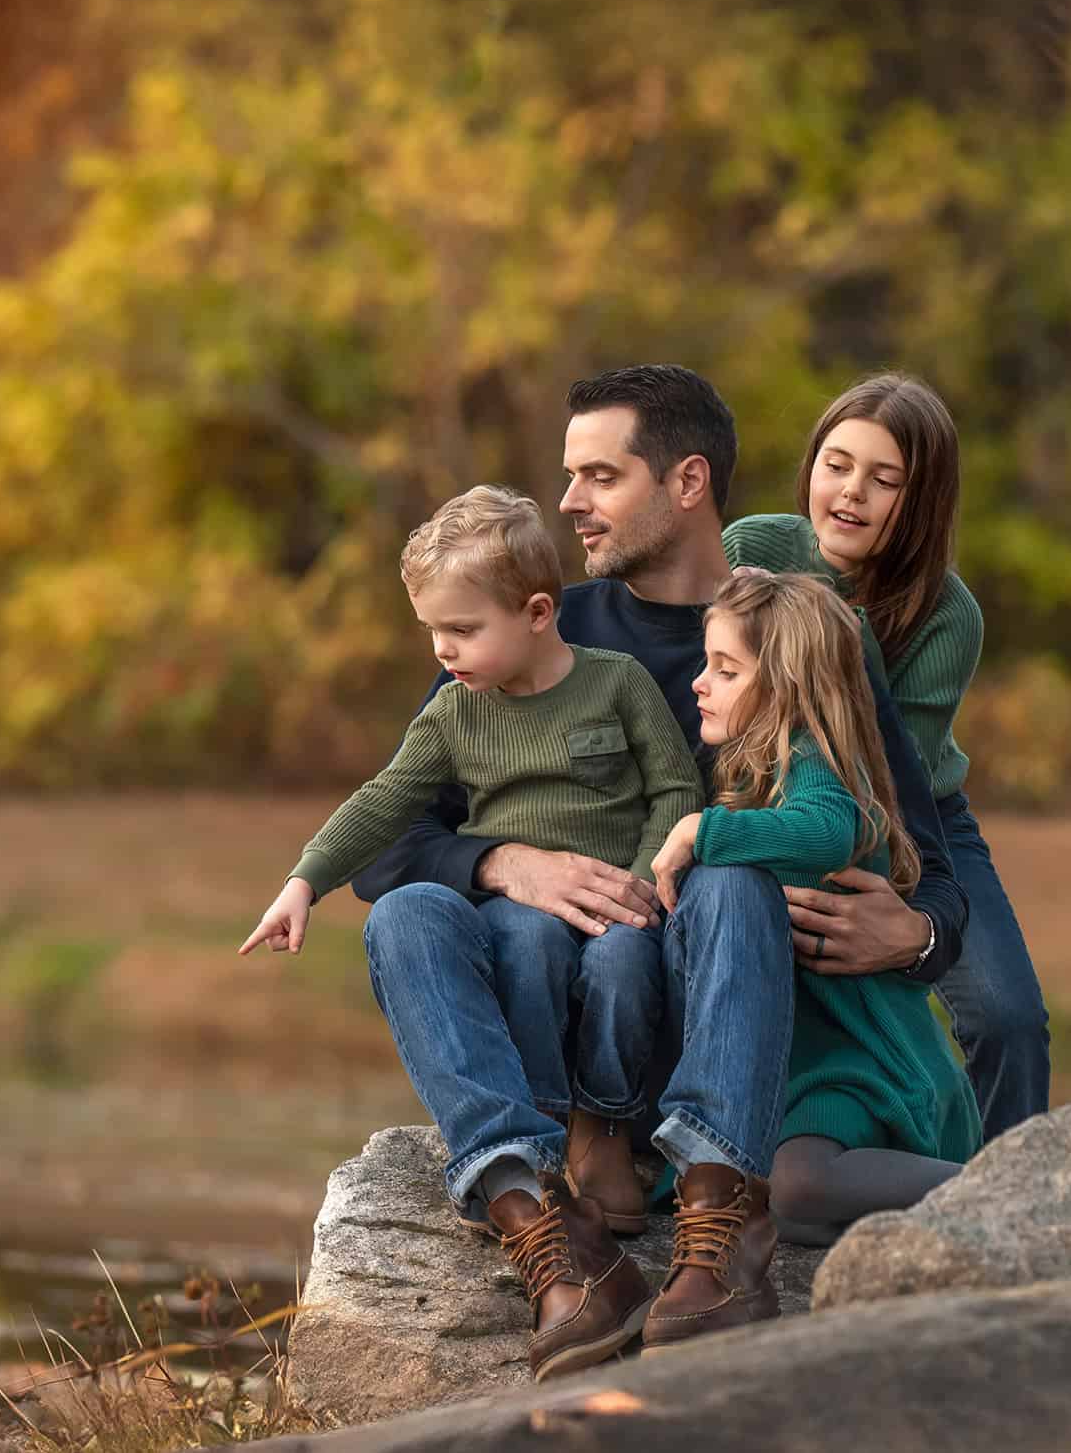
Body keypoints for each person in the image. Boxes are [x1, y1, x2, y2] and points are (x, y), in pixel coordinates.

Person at [353, 365, 971, 1370]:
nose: (567, 503)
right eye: (568, 476)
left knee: (725, 876)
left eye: (598, 476)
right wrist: (507, 862)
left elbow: (927, 866)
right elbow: (386, 842)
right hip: (565, 1023)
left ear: (687, 482)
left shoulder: (800, 630)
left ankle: (717, 1235)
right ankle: (556, 1244)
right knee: (404, 918)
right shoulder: (538, 625)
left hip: (723, 1029)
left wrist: (919, 932)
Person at [242, 483, 701, 1270]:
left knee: (626, 964)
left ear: (536, 613)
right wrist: (303, 882)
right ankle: (538, 1148)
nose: (441, 653)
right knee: (524, 940)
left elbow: (675, 789)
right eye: (431, 631)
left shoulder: (617, 682)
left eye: (460, 630)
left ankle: (605, 1128)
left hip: (621, 903)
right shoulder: (455, 713)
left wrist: (643, 882)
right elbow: (387, 800)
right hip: (514, 908)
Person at [722, 373, 1049, 1140]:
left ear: (922, 500)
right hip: (771, 793)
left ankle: (1012, 1200)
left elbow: (887, 775)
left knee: (1010, 1017)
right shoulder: (754, 546)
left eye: (884, 480)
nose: (850, 493)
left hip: (914, 812)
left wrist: (914, 929)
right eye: (836, 465)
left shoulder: (947, 615)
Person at [648, 571, 980, 1254]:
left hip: (864, 1070)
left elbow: (827, 830)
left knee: (798, 1193)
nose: (699, 684)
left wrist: (698, 831)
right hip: (801, 1075)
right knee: (776, 1203)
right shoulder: (754, 770)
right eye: (706, 664)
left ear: (787, 690)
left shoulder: (819, 764)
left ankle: (1010, 1187)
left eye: (726, 670)